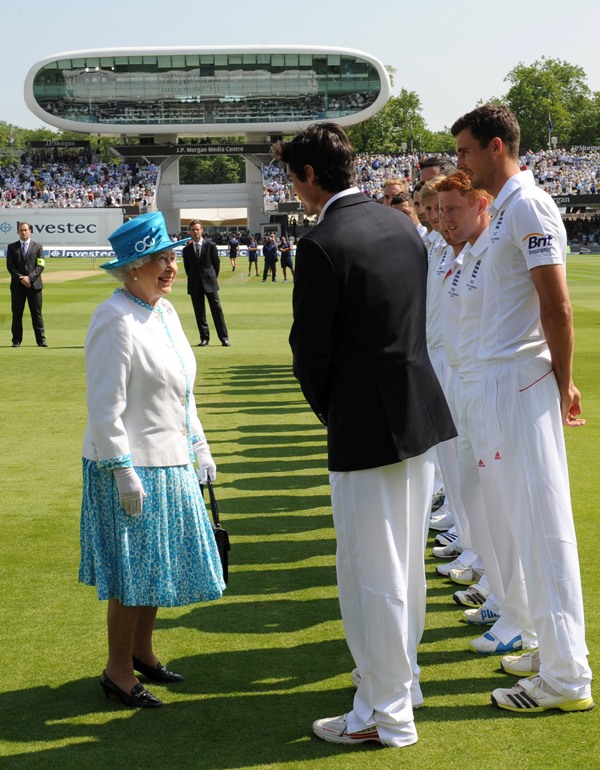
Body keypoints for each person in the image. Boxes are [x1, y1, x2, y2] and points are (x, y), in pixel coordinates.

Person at [272, 123, 456, 748]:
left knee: (369, 571)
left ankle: (385, 713)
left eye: (292, 177)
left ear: (309, 175)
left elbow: (309, 355)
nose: (293, 189)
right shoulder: (401, 225)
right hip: (417, 413)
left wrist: (335, 412)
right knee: (404, 566)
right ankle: (401, 686)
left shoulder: (322, 243)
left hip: (366, 423)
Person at [451, 103, 593, 713]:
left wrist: (564, 382)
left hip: (520, 384)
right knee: (521, 523)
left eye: (465, 150)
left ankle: (566, 679)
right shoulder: (506, 207)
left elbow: (556, 306)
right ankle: (546, 648)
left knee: (543, 530)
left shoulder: (529, 204)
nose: (460, 162)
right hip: (498, 384)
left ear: (496, 146)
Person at [79, 211, 225, 710]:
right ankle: (117, 671)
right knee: (131, 576)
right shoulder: (114, 318)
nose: (170, 267)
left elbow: (183, 392)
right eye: (159, 259)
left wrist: (199, 447)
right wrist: (122, 471)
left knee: (155, 565)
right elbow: (105, 407)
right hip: (132, 465)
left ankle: (141, 652)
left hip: (171, 457)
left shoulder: (165, 312)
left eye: (171, 257)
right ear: (132, 267)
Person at [182, 219, 230, 346]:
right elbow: (187, 268)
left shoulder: (210, 245)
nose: (195, 231)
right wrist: (194, 278)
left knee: (217, 311)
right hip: (194, 284)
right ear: (189, 231)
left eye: (197, 229)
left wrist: (212, 277)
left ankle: (224, 338)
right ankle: (204, 338)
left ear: (202, 230)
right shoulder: (187, 249)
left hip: (210, 282)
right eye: (193, 229)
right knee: (200, 313)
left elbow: (216, 264)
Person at [6, 221, 47, 347]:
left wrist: (29, 278)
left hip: (34, 286)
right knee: (17, 314)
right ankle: (16, 340)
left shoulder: (38, 246)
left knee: (37, 314)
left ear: (30, 231)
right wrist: (21, 278)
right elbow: (10, 266)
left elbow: (40, 265)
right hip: (18, 287)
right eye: (21, 230)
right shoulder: (12, 247)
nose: (23, 232)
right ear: (17, 232)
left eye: (25, 230)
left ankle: (41, 340)